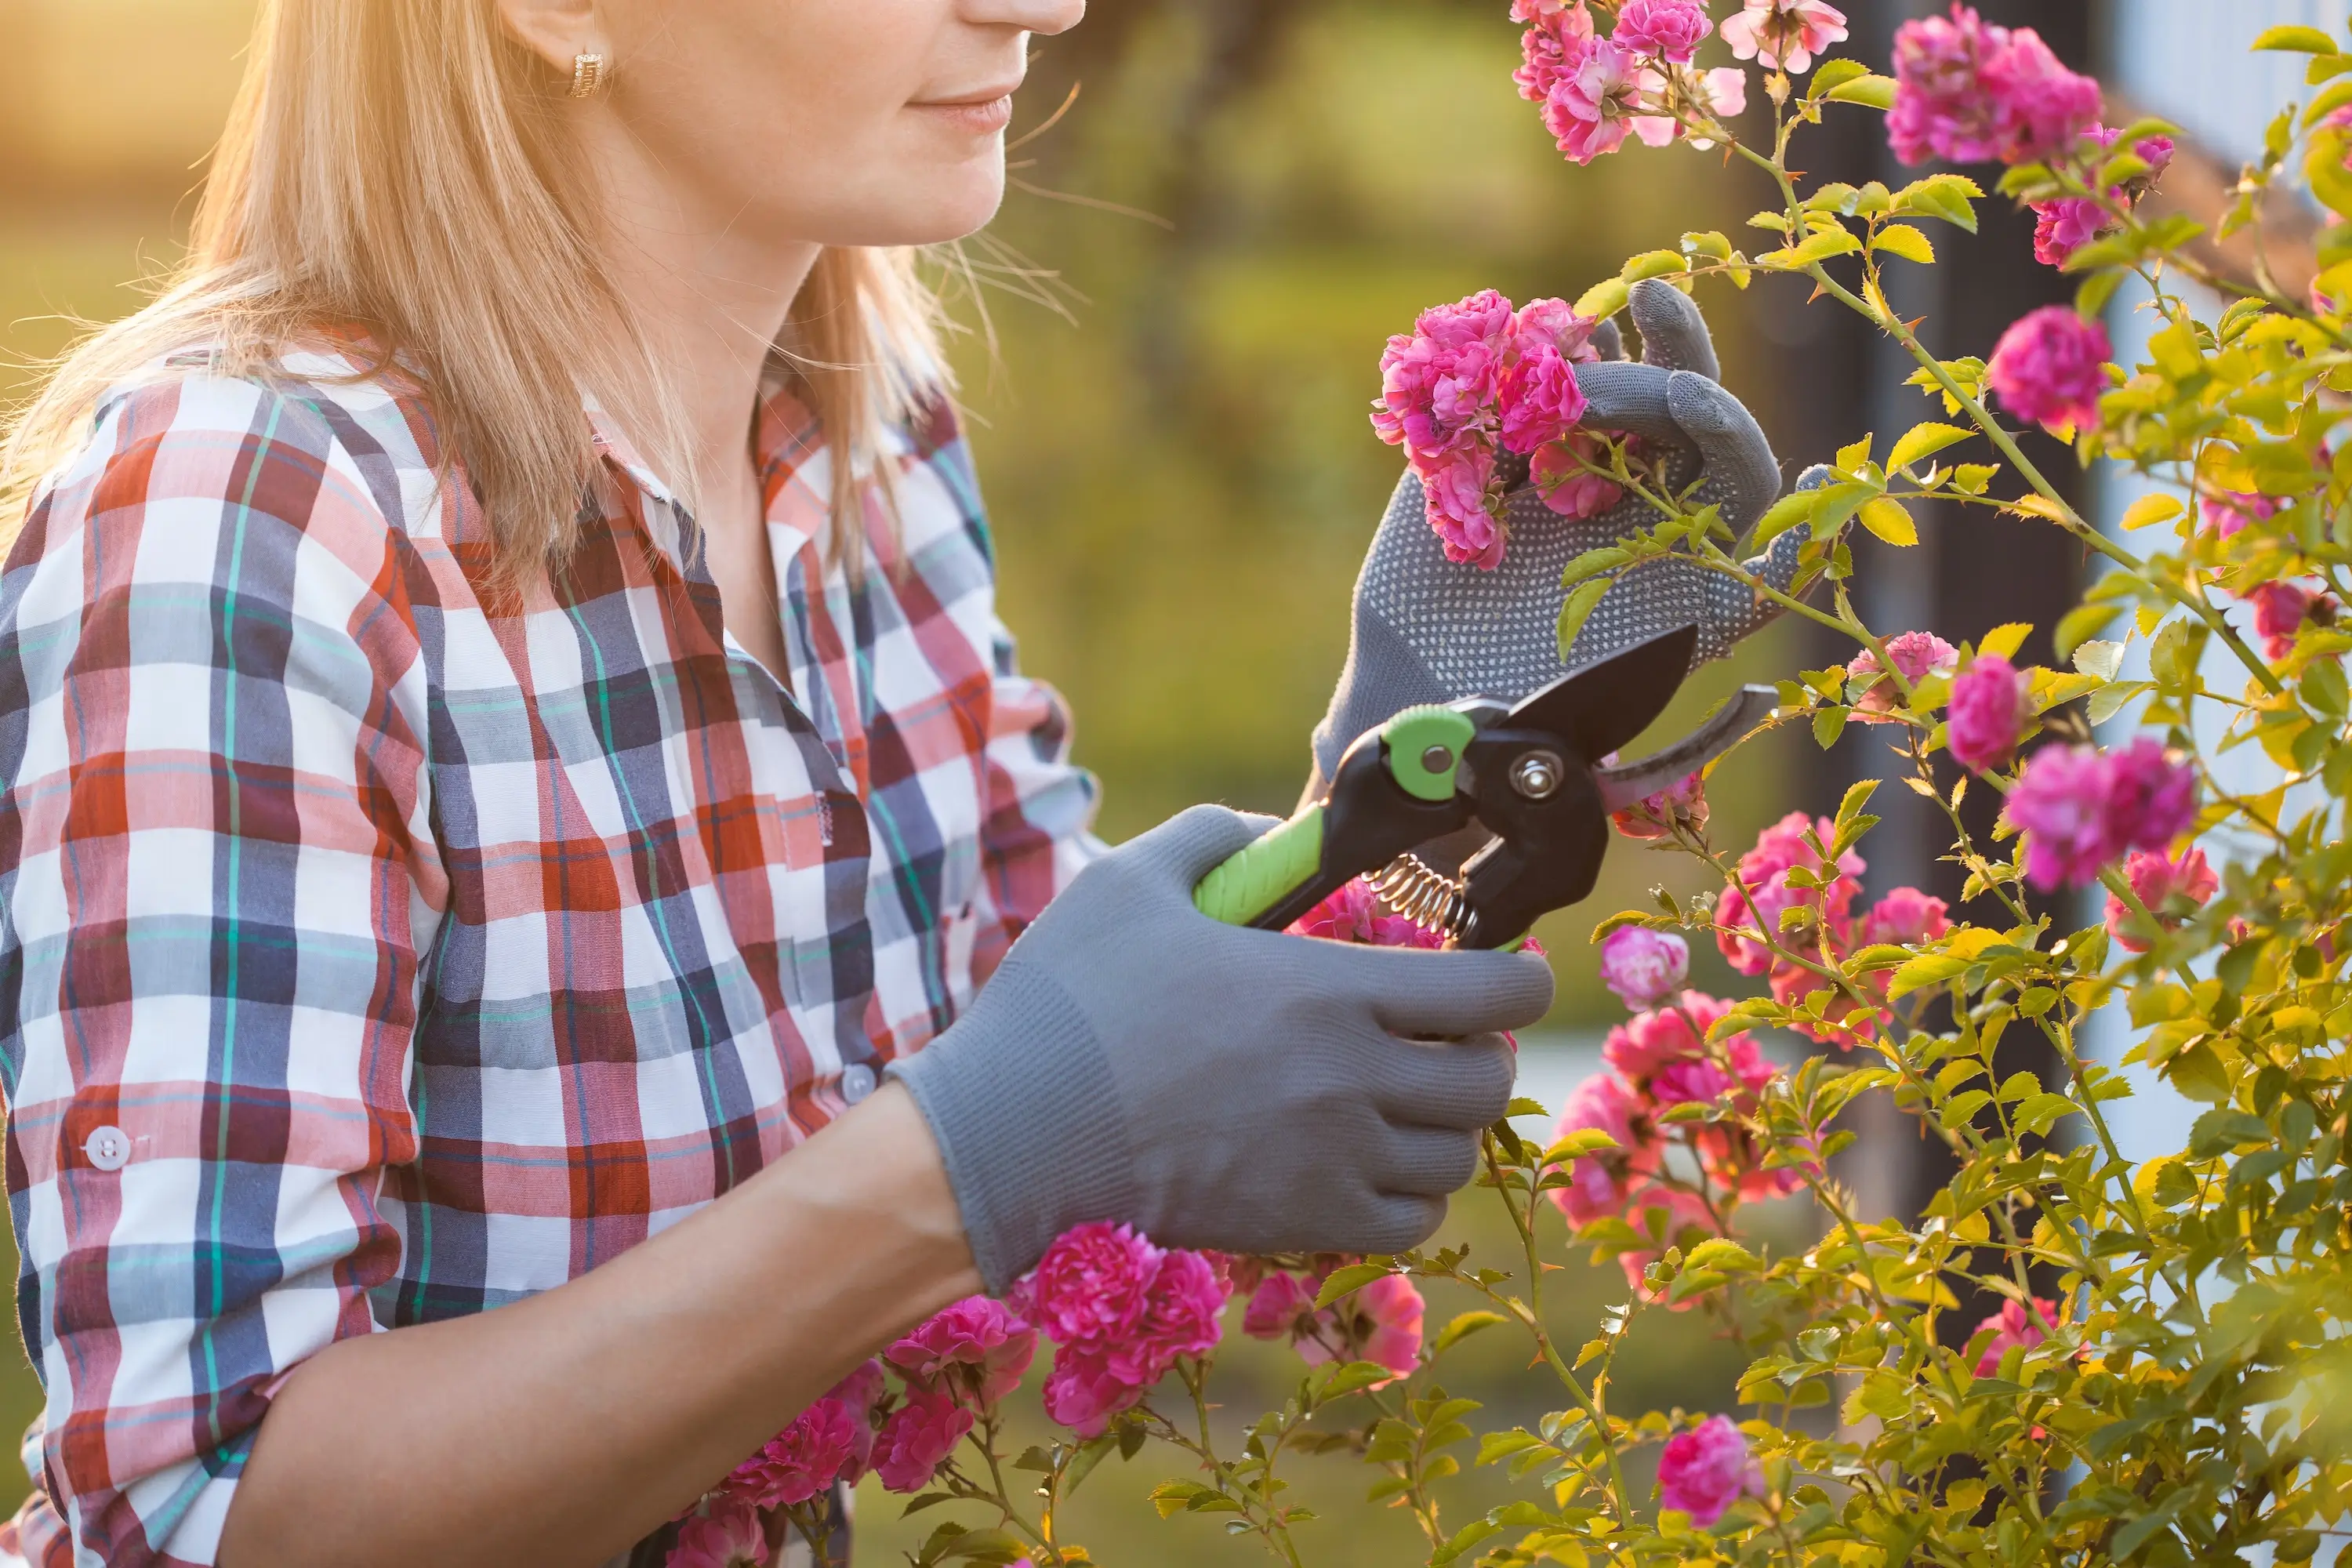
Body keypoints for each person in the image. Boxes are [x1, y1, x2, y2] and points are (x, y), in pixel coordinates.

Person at [0, 2, 1801, 1565]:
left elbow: (1113, 1067)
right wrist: (967, 1166)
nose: (1047, 6)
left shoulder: (858, 437)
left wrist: (1428, 779)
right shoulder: (258, 516)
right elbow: (220, 1507)